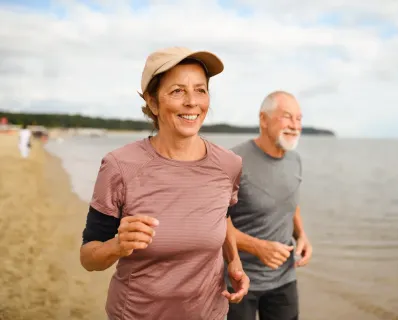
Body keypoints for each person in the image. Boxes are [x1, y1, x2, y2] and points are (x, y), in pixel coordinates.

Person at [80, 46, 249, 320]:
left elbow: (223, 216)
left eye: (200, 90)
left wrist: (235, 262)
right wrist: (117, 246)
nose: (192, 102)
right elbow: (88, 257)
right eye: (177, 91)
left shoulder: (229, 165)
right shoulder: (120, 166)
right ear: (153, 102)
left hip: (211, 314)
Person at [226, 91, 313, 320]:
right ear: (263, 119)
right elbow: (215, 224)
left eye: (299, 118)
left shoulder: (295, 160)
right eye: (287, 116)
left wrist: (302, 235)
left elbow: (290, 203)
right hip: (239, 280)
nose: (295, 125)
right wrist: (257, 247)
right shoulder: (233, 162)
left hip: (284, 280)